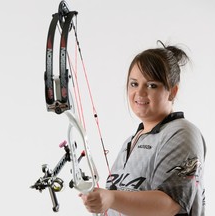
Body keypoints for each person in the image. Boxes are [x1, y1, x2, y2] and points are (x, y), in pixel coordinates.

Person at [80, 41, 206, 216]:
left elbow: (169, 205)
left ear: (172, 92)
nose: (139, 93)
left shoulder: (182, 133)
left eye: (152, 85)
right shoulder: (130, 142)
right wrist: (98, 201)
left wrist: (111, 198)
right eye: (134, 84)